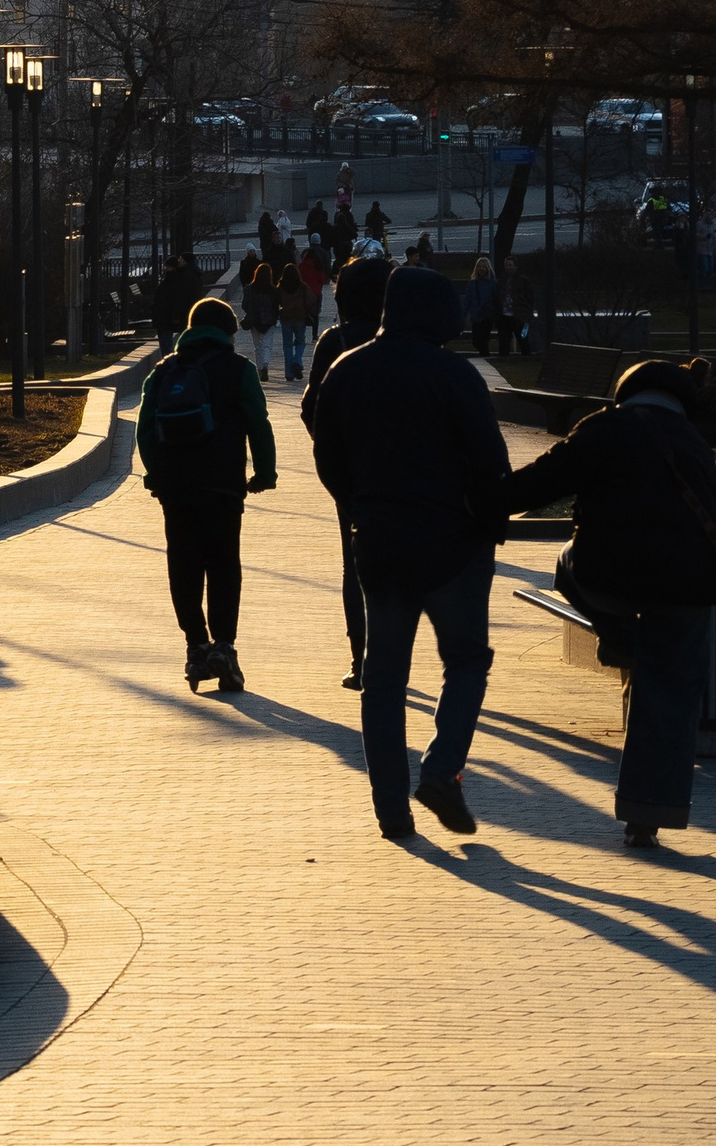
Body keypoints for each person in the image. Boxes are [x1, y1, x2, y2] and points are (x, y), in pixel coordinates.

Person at [501, 357, 716, 846]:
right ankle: (647, 816)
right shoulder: (695, 444)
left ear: (625, 392)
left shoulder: (604, 428)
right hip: (687, 585)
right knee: (670, 695)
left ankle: (619, 634)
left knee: (568, 562)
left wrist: (470, 500)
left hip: (606, 578)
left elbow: (536, 485)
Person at [310, 261, 511, 839]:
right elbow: (491, 462)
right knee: (467, 661)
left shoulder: (348, 370)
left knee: (384, 677)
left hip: (380, 545)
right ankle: (442, 771)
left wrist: (363, 506)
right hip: (454, 550)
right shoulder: (455, 375)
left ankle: (390, 810)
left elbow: (329, 458)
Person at [136, 292, 279, 692]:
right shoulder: (239, 369)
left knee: (182, 564)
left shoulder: (163, 372)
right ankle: (224, 647)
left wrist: (155, 475)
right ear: (228, 333)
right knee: (222, 564)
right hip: (223, 486)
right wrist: (264, 474)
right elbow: (258, 423)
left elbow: (144, 431)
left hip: (176, 488)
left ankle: (195, 644)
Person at [298, 248, 387, 681]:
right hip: (409, 473)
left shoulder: (335, 341)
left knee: (355, 563)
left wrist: (330, 453)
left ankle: (362, 659)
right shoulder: (406, 339)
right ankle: (392, 655)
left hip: (351, 475)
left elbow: (309, 407)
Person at [237, 249, 282, 379]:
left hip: (254, 320)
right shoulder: (273, 290)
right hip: (269, 320)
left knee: (257, 346)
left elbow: (244, 305)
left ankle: (260, 368)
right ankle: (266, 364)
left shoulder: (249, 289)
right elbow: (277, 305)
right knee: (267, 344)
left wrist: (249, 311)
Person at [274, 250, 313, 383]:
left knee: (287, 345)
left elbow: (276, 301)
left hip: (286, 318)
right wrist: (310, 312)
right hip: (300, 317)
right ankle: (297, 361)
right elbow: (310, 300)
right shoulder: (302, 286)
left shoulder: (281, 287)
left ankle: (288, 373)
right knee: (301, 342)